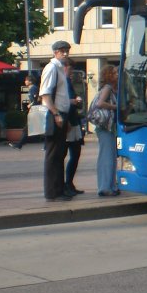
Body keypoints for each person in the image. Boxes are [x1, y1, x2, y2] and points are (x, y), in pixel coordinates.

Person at [40, 41, 74, 202]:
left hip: (61, 114)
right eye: (62, 51)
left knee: (60, 153)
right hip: (54, 115)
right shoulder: (51, 68)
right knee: (53, 154)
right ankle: (52, 191)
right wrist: (56, 114)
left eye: (67, 50)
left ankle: (59, 189)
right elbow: (45, 94)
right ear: (55, 52)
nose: (65, 53)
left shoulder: (60, 69)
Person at [93, 64, 120, 198]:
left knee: (110, 156)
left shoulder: (112, 89)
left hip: (108, 127)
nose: (117, 74)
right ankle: (105, 187)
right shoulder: (108, 88)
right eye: (114, 72)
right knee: (107, 156)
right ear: (108, 75)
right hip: (105, 127)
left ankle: (110, 185)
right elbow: (99, 103)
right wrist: (115, 107)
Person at [63, 57, 86, 196]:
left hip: (74, 120)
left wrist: (77, 100)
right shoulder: (62, 82)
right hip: (68, 121)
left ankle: (69, 183)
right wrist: (73, 101)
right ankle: (66, 184)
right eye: (70, 68)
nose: (71, 71)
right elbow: (60, 101)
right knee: (68, 153)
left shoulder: (68, 82)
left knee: (75, 154)